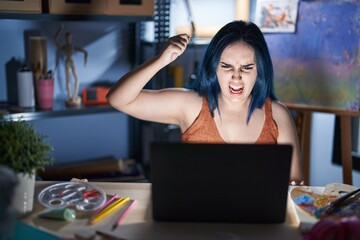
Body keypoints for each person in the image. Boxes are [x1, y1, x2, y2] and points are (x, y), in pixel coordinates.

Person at [106, 20, 304, 185]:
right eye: (226, 66)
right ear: (214, 67)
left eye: (246, 68)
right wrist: (160, 60)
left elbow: (294, 182)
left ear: (260, 70)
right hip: (198, 220)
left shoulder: (277, 114)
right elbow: (118, 99)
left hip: (258, 222)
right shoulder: (190, 105)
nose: (236, 77)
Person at [55, 24, 88, 106]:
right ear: (65, 39)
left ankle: (75, 94)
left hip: (71, 62)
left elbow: (84, 51)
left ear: (71, 38)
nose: (68, 39)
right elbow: (55, 39)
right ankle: (70, 95)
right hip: (67, 62)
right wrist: (60, 29)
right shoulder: (64, 47)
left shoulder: (73, 47)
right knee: (68, 80)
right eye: (67, 38)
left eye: (69, 37)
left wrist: (85, 60)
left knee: (77, 79)